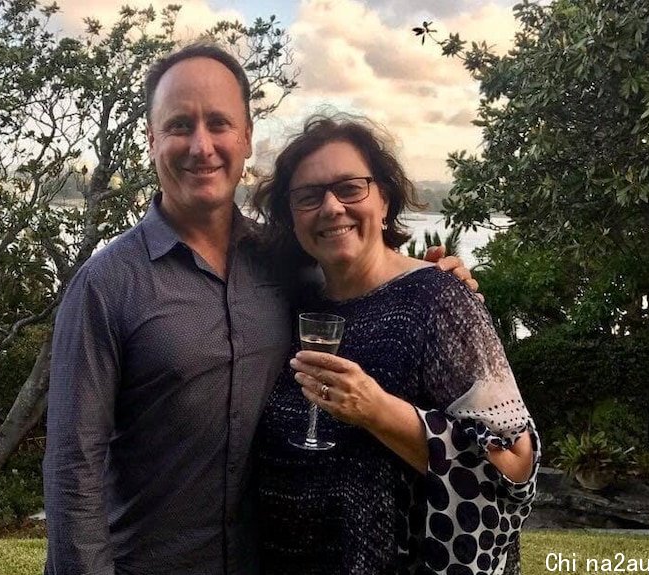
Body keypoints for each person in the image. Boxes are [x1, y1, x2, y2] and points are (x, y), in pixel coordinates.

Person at [43, 43, 477, 575]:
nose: (201, 146)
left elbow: (361, 277)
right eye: (180, 125)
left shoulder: (288, 266)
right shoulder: (105, 287)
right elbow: (72, 470)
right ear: (152, 140)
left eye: (219, 123)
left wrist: (433, 278)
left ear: (247, 137)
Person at [252, 115, 540, 575]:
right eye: (308, 196)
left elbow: (513, 463)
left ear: (383, 199)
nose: (331, 207)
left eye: (350, 188)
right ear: (290, 216)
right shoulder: (295, 301)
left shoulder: (438, 299)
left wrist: (375, 410)